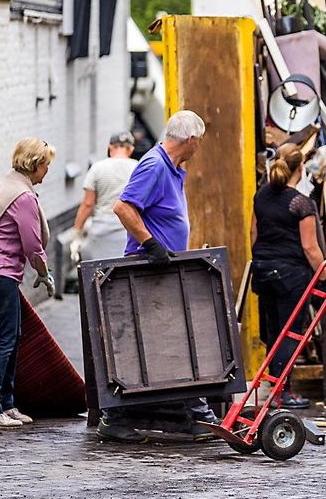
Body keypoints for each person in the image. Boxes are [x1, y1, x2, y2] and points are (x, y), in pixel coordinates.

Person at [97, 110, 217, 443]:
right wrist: (152, 245)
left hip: (162, 269)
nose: (198, 148)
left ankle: (193, 415)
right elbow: (123, 207)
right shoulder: (153, 165)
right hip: (147, 269)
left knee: (169, 339)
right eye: (199, 142)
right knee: (163, 340)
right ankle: (192, 415)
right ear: (190, 140)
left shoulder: (173, 168)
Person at [0, 138, 57, 429]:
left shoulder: (10, 183)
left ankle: (5, 404)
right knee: (3, 339)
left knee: (11, 336)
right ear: (35, 165)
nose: (47, 171)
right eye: (46, 165)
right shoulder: (24, 196)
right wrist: (43, 272)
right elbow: (32, 245)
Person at [251, 143, 326, 410]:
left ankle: (275, 390)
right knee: (290, 332)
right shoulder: (301, 204)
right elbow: (310, 248)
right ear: (300, 167)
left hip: (263, 270)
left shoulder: (260, 195)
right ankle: (282, 392)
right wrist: (325, 275)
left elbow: (253, 234)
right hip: (290, 275)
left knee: (274, 330)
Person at [71, 131, 138, 261]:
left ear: (110, 147)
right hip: (129, 232)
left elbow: (88, 204)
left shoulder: (97, 168)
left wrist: (76, 234)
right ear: (130, 149)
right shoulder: (137, 167)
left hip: (101, 231)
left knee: (100, 275)